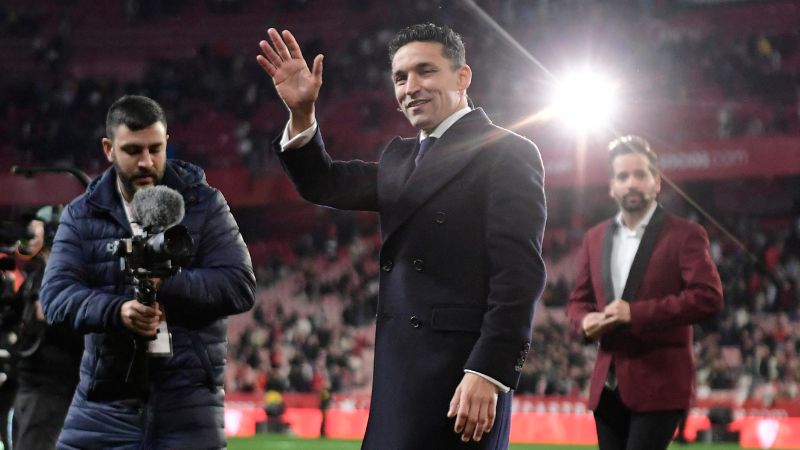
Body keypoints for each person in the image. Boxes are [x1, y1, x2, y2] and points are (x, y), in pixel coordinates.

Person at [257, 23, 546, 449]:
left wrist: (489, 372)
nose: (411, 87)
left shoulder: (507, 152)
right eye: (400, 77)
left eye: (425, 71)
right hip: (399, 376)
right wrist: (302, 115)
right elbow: (324, 182)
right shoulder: (399, 158)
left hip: (462, 379)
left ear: (463, 77)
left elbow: (518, 277)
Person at [40, 95, 256, 450]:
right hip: (105, 399)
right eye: (133, 150)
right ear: (108, 148)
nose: (147, 162)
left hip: (188, 400)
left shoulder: (204, 203)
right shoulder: (82, 213)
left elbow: (239, 285)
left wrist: (170, 283)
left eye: (156, 149)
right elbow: (56, 297)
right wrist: (118, 311)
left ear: (167, 142)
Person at [565, 135, 724, 450]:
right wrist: (584, 323)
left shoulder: (686, 235)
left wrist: (635, 313)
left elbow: (708, 297)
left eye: (640, 174)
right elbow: (577, 301)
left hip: (661, 384)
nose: (631, 183)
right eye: (623, 176)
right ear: (612, 186)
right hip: (607, 387)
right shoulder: (594, 238)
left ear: (657, 183)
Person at [13, 205, 83, 450]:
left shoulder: (71, 277)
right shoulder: (36, 275)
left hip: (52, 387)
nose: (27, 236)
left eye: (35, 230)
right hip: (28, 381)